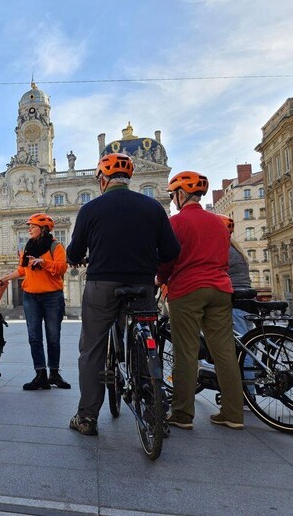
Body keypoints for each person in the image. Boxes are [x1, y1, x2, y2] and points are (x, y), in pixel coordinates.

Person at [66, 153, 180, 436]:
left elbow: (74, 251)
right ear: (129, 179)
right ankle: (154, 407)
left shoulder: (91, 209)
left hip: (102, 284)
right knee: (145, 338)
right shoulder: (153, 207)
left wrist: (81, 257)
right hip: (142, 284)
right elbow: (171, 252)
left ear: (102, 180)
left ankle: (87, 417)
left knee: (91, 348)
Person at [158, 171, 244, 431]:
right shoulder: (219, 223)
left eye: (174, 196)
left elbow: (167, 259)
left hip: (188, 289)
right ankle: (233, 414)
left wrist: (160, 279)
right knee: (225, 351)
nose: (173, 201)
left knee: (186, 351)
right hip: (220, 289)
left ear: (181, 194)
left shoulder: (177, 222)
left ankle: (183, 414)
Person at [0, 213, 70, 391]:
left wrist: (43, 262)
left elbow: (62, 267)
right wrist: (5, 278)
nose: (29, 228)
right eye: (29, 226)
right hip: (30, 296)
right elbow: (22, 270)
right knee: (34, 337)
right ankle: (40, 375)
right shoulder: (27, 248)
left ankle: (54, 373)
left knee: (53, 337)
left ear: (43, 228)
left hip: (52, 296)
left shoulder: (55, 246)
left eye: (32, 226)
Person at [218, 215, 252, 335]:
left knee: (242, 345)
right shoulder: (236, 249)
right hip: (247, 299)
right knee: (249, 342)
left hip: (235, 300)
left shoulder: (222, 249)